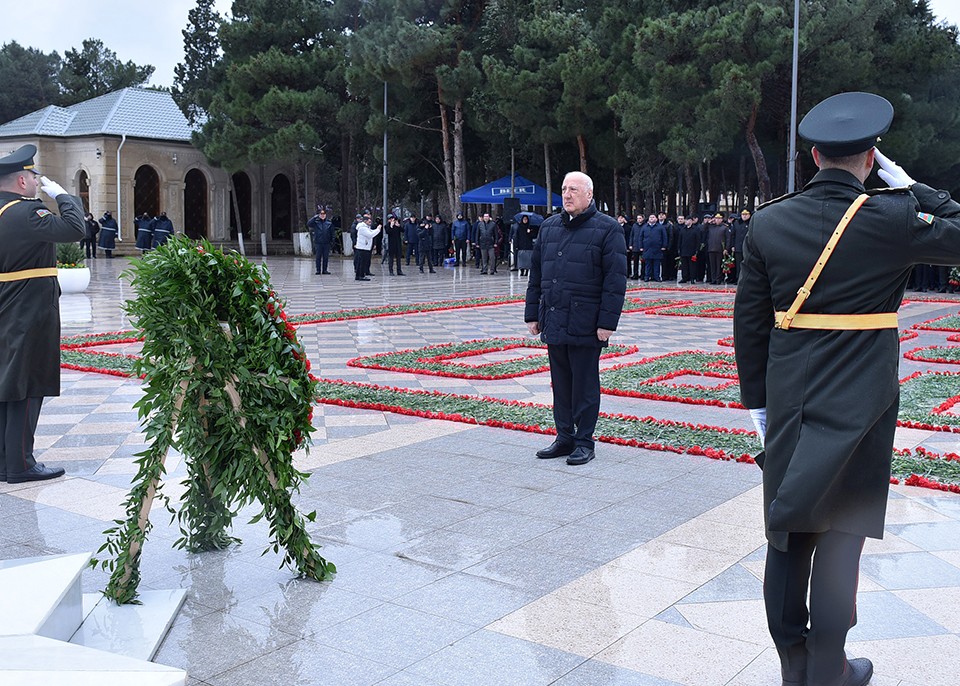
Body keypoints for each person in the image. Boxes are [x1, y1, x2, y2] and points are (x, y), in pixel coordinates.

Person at [734, 91, 960, 686]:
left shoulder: (769, 219)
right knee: (841, 539)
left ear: (813, 156)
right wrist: (911, 185)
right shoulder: (891, 216)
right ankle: (829, 668)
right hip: (863, 401)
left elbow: (751, 326)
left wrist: (759, 408)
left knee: (786, 533)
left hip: (789, 402)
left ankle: (794, 665)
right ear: (871, 156)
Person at [524, 171, 627, 466]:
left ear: (589, 195)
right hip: (554, 317)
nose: (567, 195)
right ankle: (564, 436)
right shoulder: (549, 227)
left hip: (586, 322)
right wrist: (533, 313)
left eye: (574, 190)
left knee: (584, 383)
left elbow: (615, 281)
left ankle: (584, 441)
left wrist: (607, 323)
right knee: (561, 382)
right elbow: (537, 275)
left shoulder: (607, 229)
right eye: (564, 189)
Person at [0, 144, 85, 483]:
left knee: (8, 382)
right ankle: (21, 464)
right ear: (22, 181)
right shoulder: (24, 212)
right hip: (29, 307)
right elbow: (75, 230)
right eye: (34, 177)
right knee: (27, 383)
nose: (37, 182)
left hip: (8, 302)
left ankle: (5, 462)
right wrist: (64, 196)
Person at [307, 205, 335, 274]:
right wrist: (314, 217)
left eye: (324, 214)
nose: (322, 215)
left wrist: (332, 241)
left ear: (325, 215)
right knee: (318, 257)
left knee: (326, 258)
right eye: (321, 214)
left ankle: (325, 270)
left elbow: (332, 233)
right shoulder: (316, 222)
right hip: (318, 242)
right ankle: (318, 270)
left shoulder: (329, 223)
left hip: (326, 243)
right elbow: (308, 224)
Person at [353, 212, 380, 281]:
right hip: (362, 248)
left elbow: (371, 231)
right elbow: (370, 235)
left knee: (362, 262)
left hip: (364, 248)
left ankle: (359, 275)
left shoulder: (366, 227)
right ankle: (361, 275)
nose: (370, 222)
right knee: (362, 263)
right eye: (369, 221)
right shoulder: (362, 228)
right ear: (365, 221)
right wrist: (378, 229)